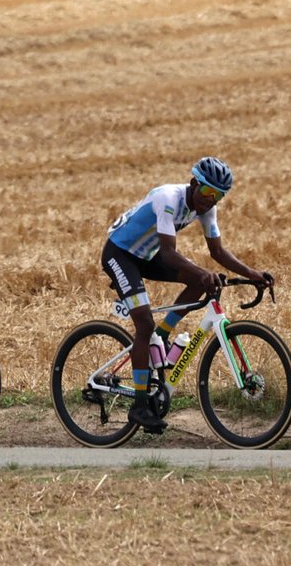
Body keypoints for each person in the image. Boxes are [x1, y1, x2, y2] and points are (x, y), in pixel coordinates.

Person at [102, 156, 274, 434]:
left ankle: (164, 332)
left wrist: (252, 273)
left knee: (199, 283)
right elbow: (169, 252)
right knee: (144, 323)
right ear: (194, 183)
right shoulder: (168, 198)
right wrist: (202, 271)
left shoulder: (207, 209)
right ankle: (140, 405)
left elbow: (217, 252)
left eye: (218, 196)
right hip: (121, 254)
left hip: (146, 255)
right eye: (207, 192)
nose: (210, 200)